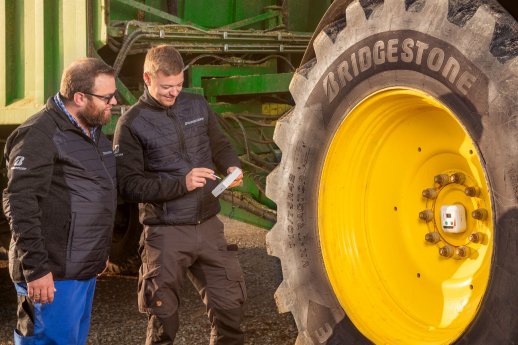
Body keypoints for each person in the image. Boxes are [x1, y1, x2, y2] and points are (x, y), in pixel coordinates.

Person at [113, 44, 246, 345]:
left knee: (230, 311)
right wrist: (181, 184)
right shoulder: (131, 124)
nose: (174, 93)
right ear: (147, 79)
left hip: (209, 226)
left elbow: (220, 144)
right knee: (163, 323)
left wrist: (232, 166)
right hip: (165, 233)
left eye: (178, 85)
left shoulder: (197, 106)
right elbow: (128, 185)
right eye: (165, 87)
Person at [2, 58, 118, 345]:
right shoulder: (39, 134)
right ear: (79, 97)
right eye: (107, 96)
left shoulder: (93, 133)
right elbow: (20, 203)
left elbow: (94, 198)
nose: (114, 101)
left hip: (81, 269)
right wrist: (37, 270)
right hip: (52, 274)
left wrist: (98, 252)